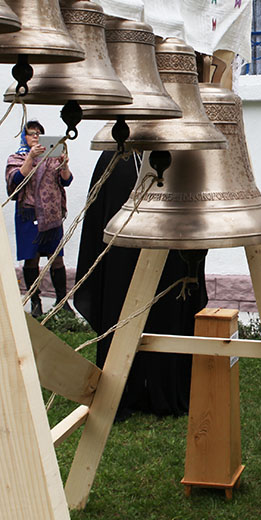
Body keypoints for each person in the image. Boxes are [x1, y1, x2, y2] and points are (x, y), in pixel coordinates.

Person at [74, 150, 208, 417]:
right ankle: (119, 390)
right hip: (122, 254)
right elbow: (101, 217)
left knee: (167, 312)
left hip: (171, 252)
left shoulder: (183, 154)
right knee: (121, 312)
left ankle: (165, 389)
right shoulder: (115, 158)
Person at [6, 120, 73, 317]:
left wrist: (64, 165)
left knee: (57, 259)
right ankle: (36, 302)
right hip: (29, 215)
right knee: (31, 260)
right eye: (31, 133)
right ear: (24, 137)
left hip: (52, 218)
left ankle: (62, 303)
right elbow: (17, 179)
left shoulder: (52, 159)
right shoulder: (17, 158)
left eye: (39, 133)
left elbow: (66, 181)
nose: (35, 136)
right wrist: (31, 158)